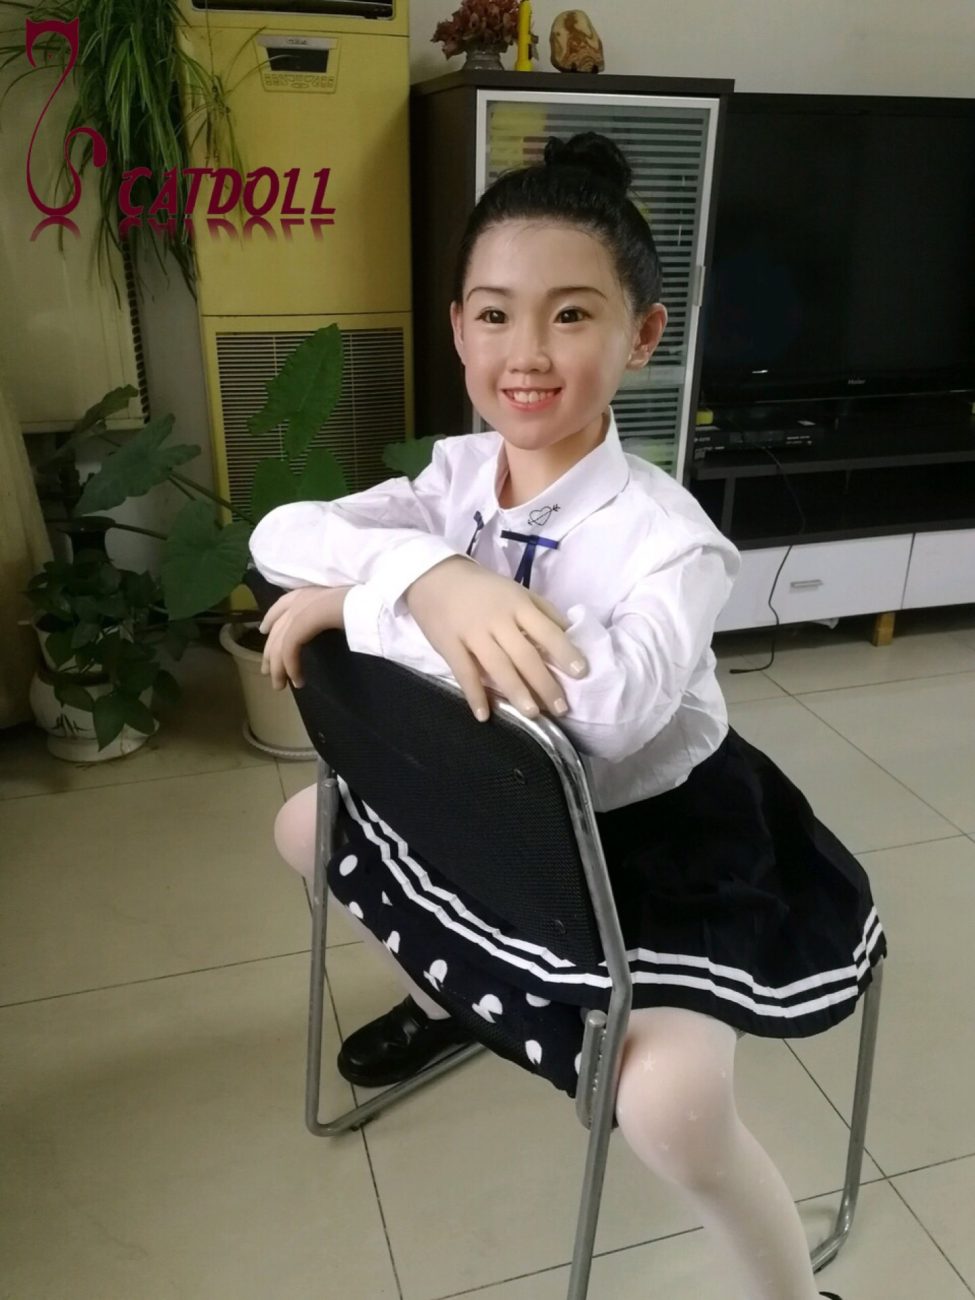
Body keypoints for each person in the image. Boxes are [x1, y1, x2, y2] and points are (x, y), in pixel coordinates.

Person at [249, 131, 881, 1300]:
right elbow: (279, 535)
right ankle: (452, 998)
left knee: (673, 1109)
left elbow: (602, 711)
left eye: (572, 315)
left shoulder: (672, 541)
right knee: (304, 829)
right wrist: (430, 578)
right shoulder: (449, 482)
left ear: (642, 336)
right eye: (495, 315)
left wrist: (367, 603)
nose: (527, 353)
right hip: (481, 803)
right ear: (458, 329)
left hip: (657, 836)